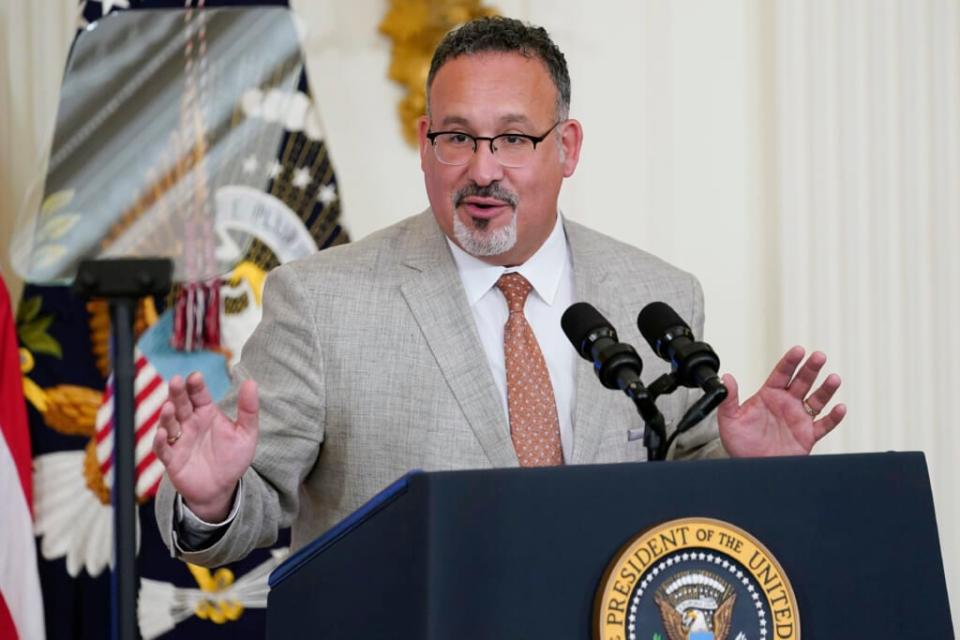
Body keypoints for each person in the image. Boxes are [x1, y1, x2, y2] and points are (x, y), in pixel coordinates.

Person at [153, 17, 845, 566]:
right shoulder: (321, 302)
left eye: (513, 138)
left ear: (567, 147)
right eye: (458, 137)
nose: (483, 170)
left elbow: (681, 491)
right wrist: (209, 500)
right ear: (426, 142)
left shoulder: (657, 295)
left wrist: (747, 470)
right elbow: (244, 506)